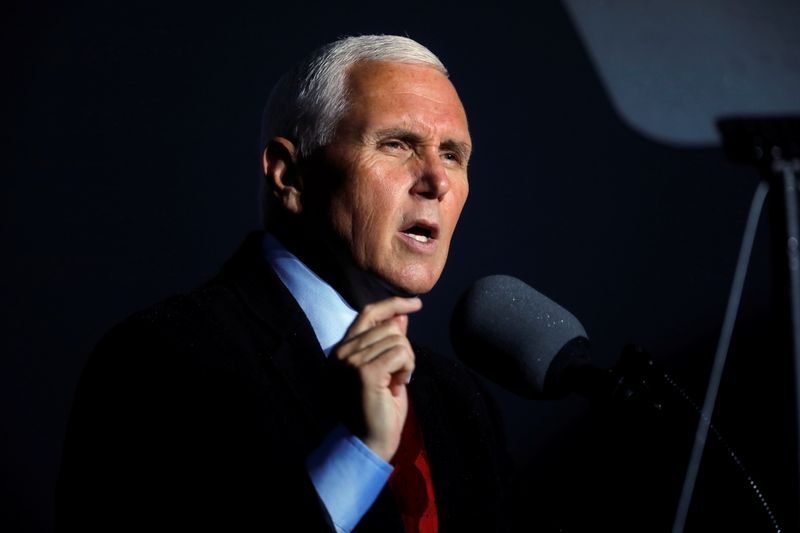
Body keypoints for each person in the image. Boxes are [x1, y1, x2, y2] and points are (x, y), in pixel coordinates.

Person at [57, 35, 510, 532]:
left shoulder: (460, 402)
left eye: (452, 155)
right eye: (396, 144)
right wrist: (357, 456)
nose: (436, 181)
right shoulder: (159, 360)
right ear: (288, 175)